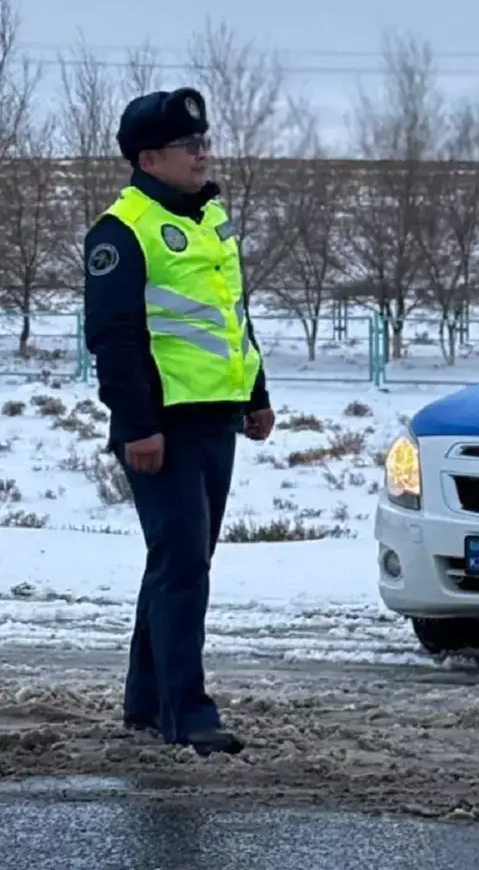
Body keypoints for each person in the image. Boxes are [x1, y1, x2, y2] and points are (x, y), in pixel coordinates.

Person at [83, 88, 275, 756]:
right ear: (150, 158)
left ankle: (145, 697)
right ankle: (187, 711)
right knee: (183, 564)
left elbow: (233, 314)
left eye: (204, 141)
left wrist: (256, 392)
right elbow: (113, 337)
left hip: (214, 417)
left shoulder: (209, 218)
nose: (204, 152)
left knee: (180, 561)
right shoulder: (122, 229)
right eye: (190, 146)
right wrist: (137, 427)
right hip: (159, 426)